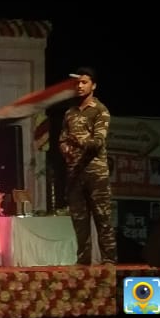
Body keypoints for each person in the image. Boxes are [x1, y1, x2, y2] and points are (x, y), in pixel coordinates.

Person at [59, 67, 117, 265]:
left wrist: (78, 140)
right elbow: (62, 139)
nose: (80, 86)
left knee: (102, 217)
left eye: (84, 82)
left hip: (95, 172)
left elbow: (98, 142)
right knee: (79, 219)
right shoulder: (70, 113)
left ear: (94, 85)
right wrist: (65, 149)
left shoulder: (100, 110)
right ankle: (83, 260)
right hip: (75, 173)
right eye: (77, 83)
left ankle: (109, 260)